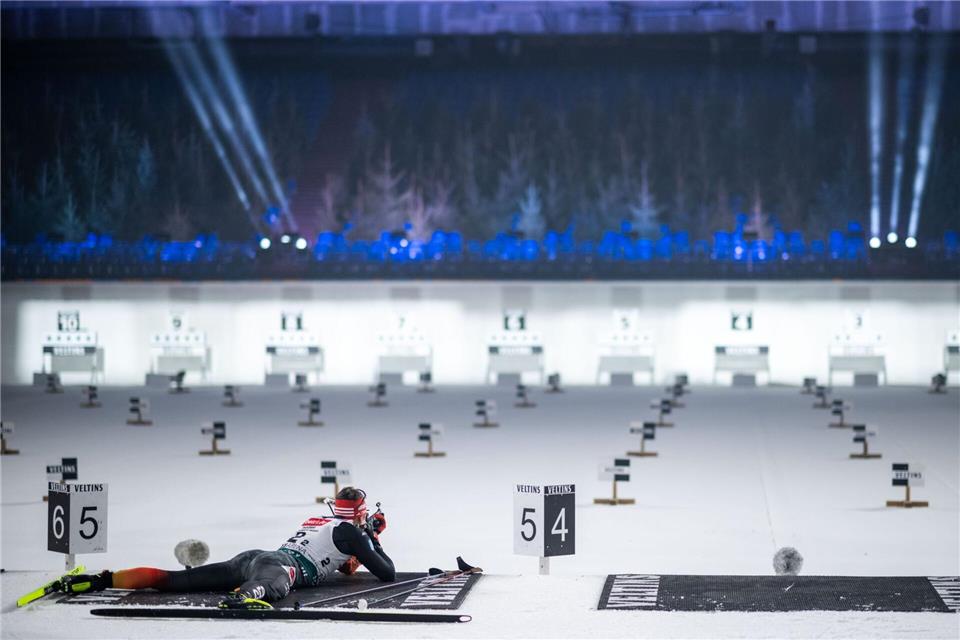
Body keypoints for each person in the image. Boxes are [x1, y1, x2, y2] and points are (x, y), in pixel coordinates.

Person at [60, 487, 394, 609]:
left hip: (253, 556)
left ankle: (104, 580)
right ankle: (245, 596)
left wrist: (364, 541)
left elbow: (346, 566)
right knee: (275, 588)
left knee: (174, 580)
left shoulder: (319, 520)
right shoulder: (354, 532)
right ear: (360, 513)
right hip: (279, 567)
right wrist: (374, 536)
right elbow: (385, 572)